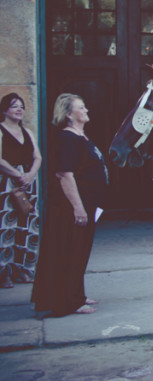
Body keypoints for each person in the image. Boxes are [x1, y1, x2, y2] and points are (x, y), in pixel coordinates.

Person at [31, 94, 108, 316]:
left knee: (80, 251)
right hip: (71, 209)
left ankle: (77, 294)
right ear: (68, 114)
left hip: (89, 204)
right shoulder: (66, 138)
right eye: (81, 107)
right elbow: (65, 174)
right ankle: (69, 301)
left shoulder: (80, 136)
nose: (86, 110)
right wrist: (78, 207)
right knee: (70, 252)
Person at [0, 93, 42, 287]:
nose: (19, 109)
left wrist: (30, 174)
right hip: (7, 184)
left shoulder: (27, 132)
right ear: (4, 110)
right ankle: (4, 273)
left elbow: (37, 157)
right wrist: (18, 175)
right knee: (6, 227)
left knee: (27, 226)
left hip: (27, 184)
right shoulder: (1, 131)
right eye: (14, 106)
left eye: (21, 106)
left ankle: (23, 270)